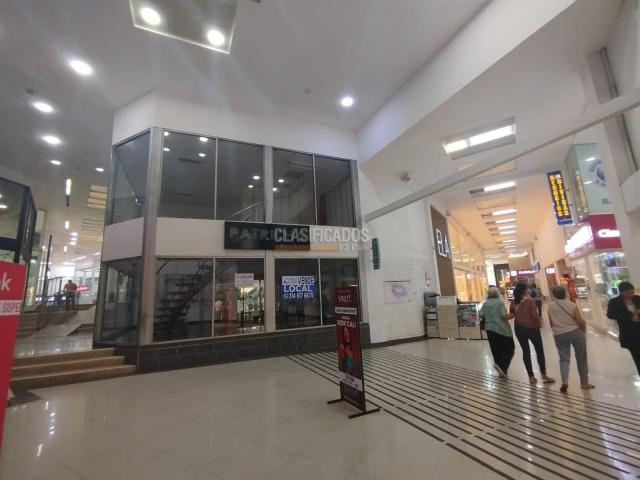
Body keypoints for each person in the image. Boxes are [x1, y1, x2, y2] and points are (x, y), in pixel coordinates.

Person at [548, 285, 594, 393]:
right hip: (575, 332)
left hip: (559, 334)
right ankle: (584, 383)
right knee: (581, 358)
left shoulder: (550, 306)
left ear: (554, 295)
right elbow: (579, 320)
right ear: (565, 293)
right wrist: (584, 330)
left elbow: (551, 323)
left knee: (564, 359)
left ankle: (564, 381)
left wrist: (557, 330)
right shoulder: (571, 305)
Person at [511, 282, 555, 385]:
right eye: (527, 288)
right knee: (539, 351)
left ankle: (531, 377)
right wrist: (539, 323)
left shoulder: (513, 302)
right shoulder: (530, 301)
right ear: (524, 290)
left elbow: (512, 314)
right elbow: (534, 316)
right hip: (532, 328)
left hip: (519, 328)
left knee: (525, 351)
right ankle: (544, 375)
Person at [480, 287, 515, 378]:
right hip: (501, 329)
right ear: (497, 294)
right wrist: (513, 315)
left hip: (489, 329)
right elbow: (504, 316)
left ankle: (500, 368)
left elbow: (481, 314)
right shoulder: (499, 303)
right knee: (510, 348)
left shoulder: (485, 303)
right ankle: (503, 367)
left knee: (495, 349)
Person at [607, 282, 640, 375]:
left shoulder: (637, 299)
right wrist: (629, 314)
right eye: (628, 293)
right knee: (637, 357)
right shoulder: (614, 302)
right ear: (621, 292)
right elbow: (610, 315)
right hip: (629, 334)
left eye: (632, 292)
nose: (631, 295)